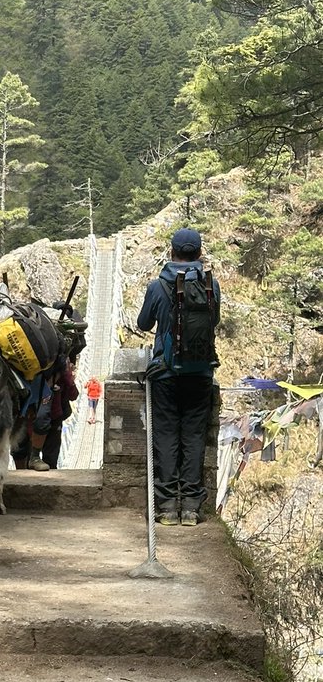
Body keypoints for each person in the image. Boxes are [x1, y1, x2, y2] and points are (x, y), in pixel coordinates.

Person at [137, 226, 221, 527]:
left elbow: (144, 323)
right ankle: (191, 509)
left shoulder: (158, 285)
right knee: (195, 437)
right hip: (200, 373)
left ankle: (168, 508)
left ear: (172, 252)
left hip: (165, 374)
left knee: (167, 436)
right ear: (199, 253)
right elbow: (215, 320)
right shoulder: (211, 285)